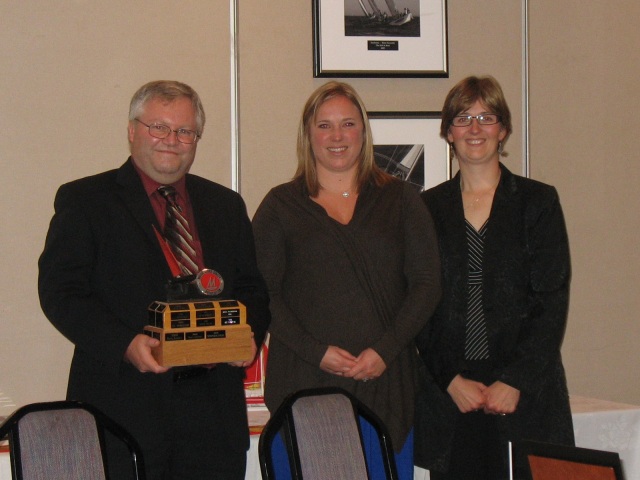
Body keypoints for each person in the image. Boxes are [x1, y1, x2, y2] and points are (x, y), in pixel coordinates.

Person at [38, 80, 270, 480]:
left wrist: (245, 335)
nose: (171, 140)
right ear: (132, 131)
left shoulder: (226, 206)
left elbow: (252, 290)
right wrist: (125, 344)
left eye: (184, 131)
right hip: (124, 410)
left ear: (196, 139)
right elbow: (62, 293)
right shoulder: (86, 200)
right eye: (157, 127)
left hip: (213, 419)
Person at [252, 81, 441, 479]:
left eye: (348, 124)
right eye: (324, 126)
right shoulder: (280, 206)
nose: (336, 137)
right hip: (306, 386)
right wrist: (315, 350)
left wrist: (384, 350)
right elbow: (262, 293)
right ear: (308, 135)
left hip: (386, 389)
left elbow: (427, 285)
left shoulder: (403, 200)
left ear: (363, 132)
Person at [414, 75, 574, 479]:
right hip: (453, 394)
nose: (474, 129)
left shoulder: (537, 203)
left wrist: (514, 380)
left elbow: (551, 301)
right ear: (448, 132)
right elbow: (417, 304)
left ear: (503, 129)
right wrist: (450, 379)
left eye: (487, 117)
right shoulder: (425, 209)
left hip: (524, 393)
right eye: (463, 118)